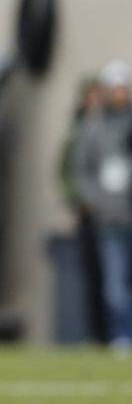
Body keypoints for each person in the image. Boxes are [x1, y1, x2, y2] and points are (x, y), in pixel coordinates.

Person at [71, 62, 132, 351]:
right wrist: (94, 201)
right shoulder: (93, 129)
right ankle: (121, 336)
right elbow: (81, 170)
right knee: (114, 283)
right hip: (109, 217)